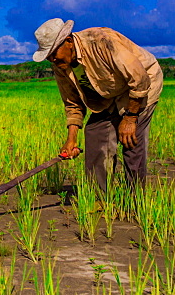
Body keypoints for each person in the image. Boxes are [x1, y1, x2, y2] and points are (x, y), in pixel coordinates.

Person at [33, 18, 163, 192]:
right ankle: (100, 196)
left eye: (53, 53)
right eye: (48, 56)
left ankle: (135, 199)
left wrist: (130, 119)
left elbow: (139, 80)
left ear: (69, 42)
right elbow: (73, 103)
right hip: (108, 92)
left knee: (131, 141)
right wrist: (71, 140)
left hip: (143, 85)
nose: (52, 59)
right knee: (95, 132)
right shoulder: (60, 65)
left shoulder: (101, 42)